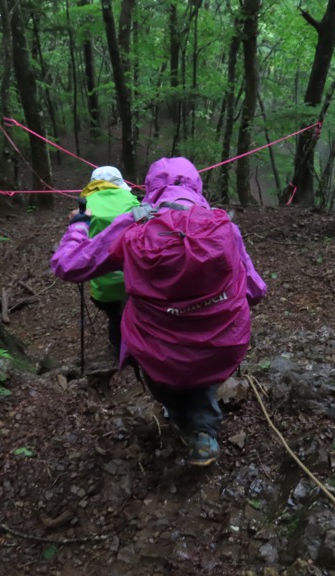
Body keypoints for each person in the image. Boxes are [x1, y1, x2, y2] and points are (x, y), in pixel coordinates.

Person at [51, 157, 267, 466]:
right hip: (220, 345)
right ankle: (203, 430)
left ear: (150, 188)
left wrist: (78, 225)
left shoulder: (134, 224)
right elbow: (255, 291)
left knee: (166, 368)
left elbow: (68, 265)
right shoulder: (224, 226)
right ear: (196, 185)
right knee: (200, 365)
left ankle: (183, 421)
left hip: (156, 347)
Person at [73, 166, 139, 354]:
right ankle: (133, 346)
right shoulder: (132, 200)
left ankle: (118, 347)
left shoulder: (84, 205)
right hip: (132, 281)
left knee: (114, 317)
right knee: (130, 313)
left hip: (102, 288)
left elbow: (78, 243)